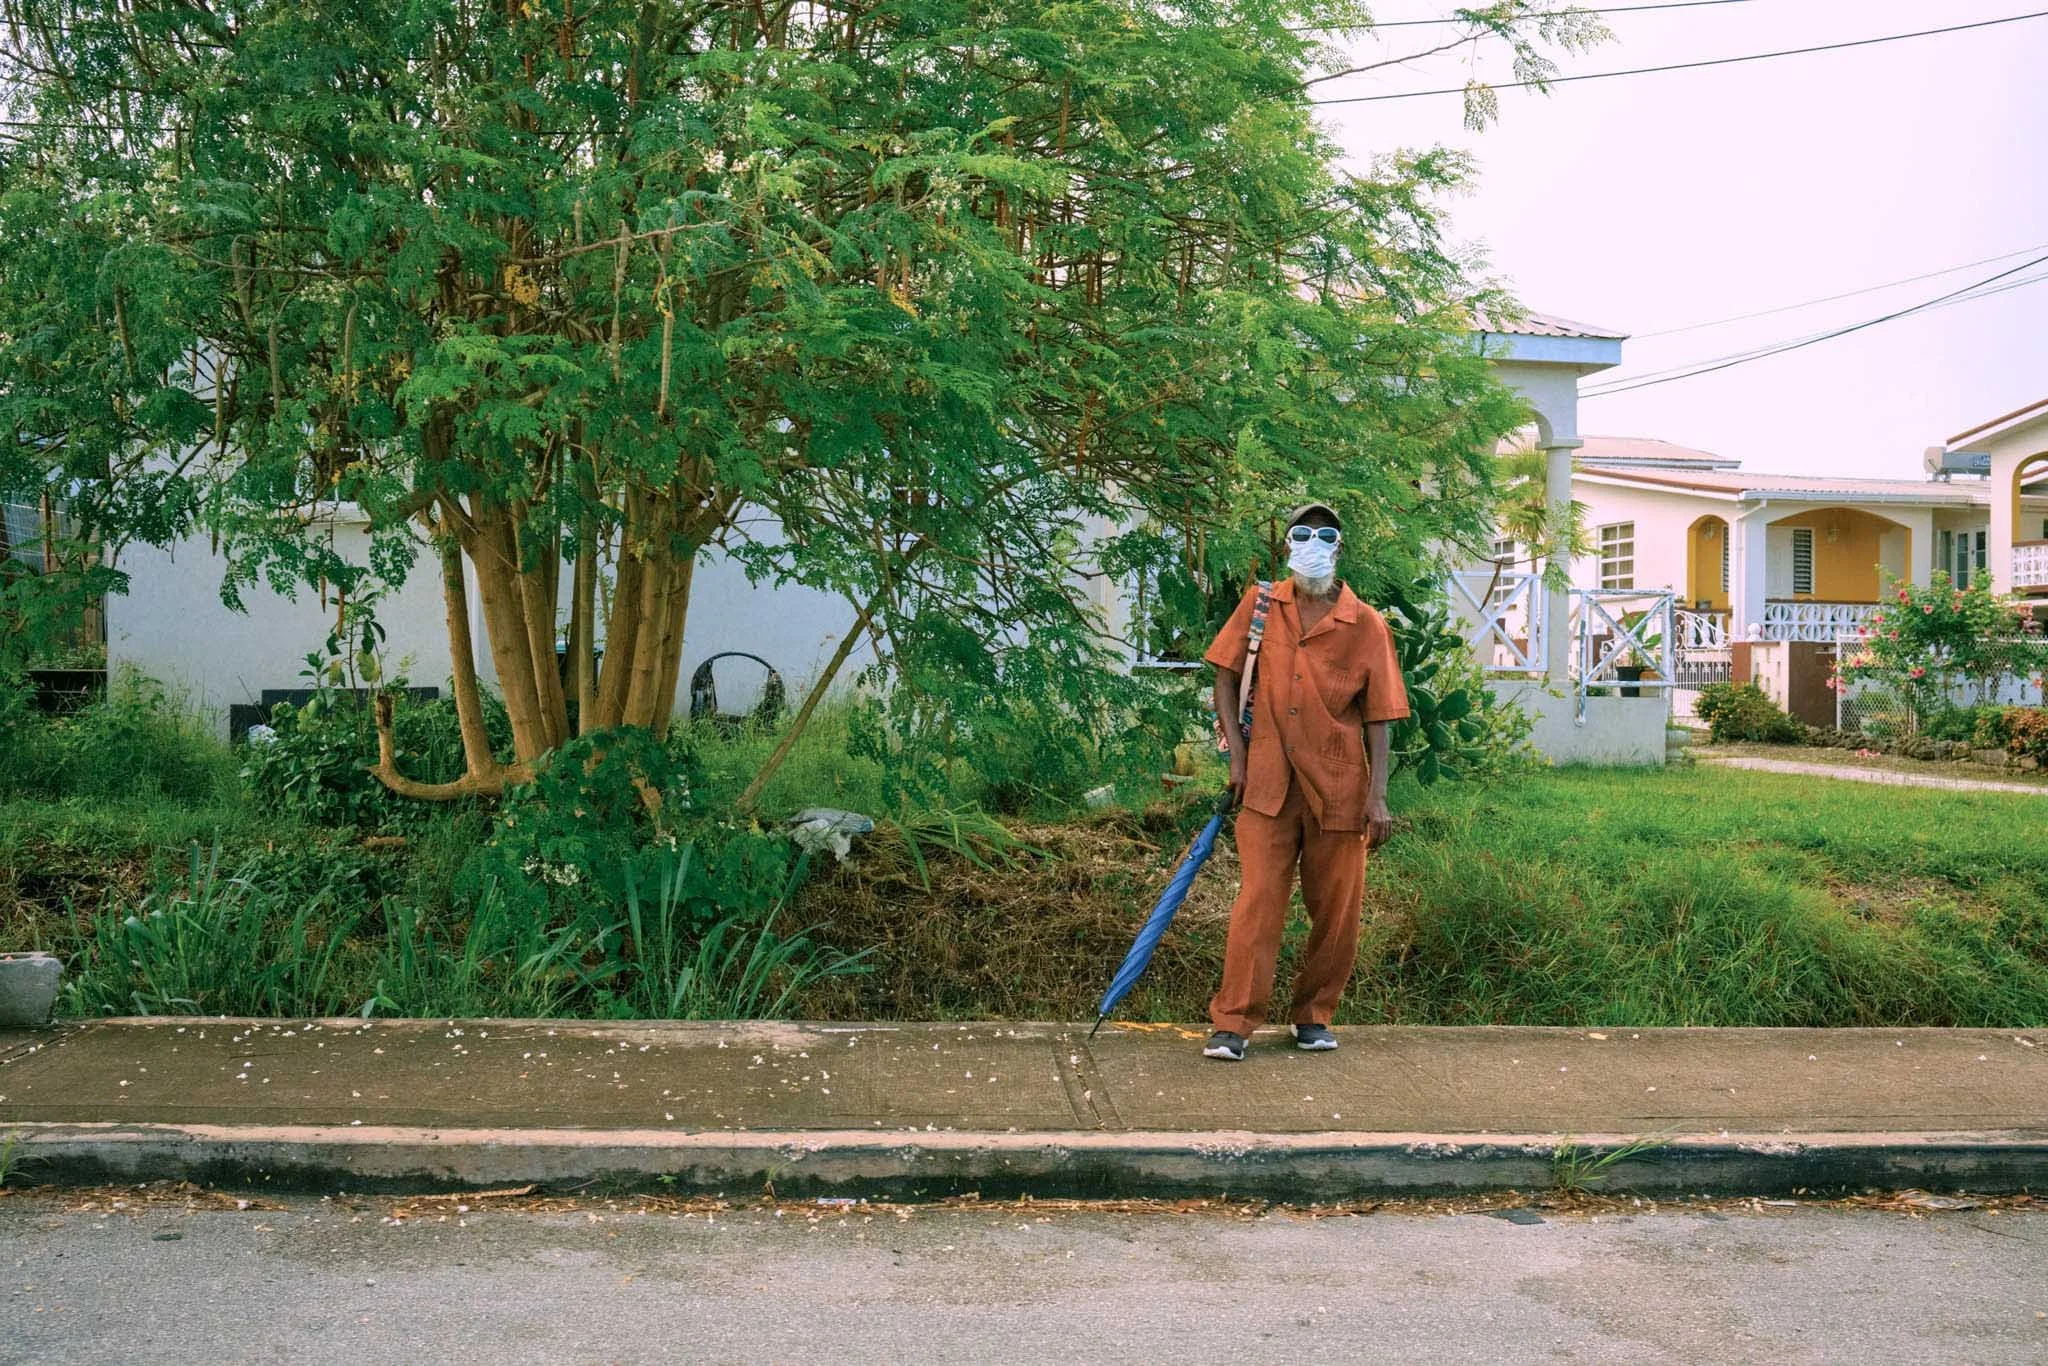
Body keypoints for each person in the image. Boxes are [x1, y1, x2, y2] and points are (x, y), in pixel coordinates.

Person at [1199, 502, 1409, 1061]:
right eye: (1302, 533)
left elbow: (1381, 714)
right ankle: (1234, 1023)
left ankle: (1314, 1015)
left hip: (1340, 786)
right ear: (1287, 545)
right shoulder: (1262, 605)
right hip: (1265, 782)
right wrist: (1238, 759)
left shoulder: (1365, 623)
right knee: (1258, 902)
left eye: (1325, 534)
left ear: (1338, 547)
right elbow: (1224, 676)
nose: (1312, 541)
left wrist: (1379, 796)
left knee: (1336, 910)